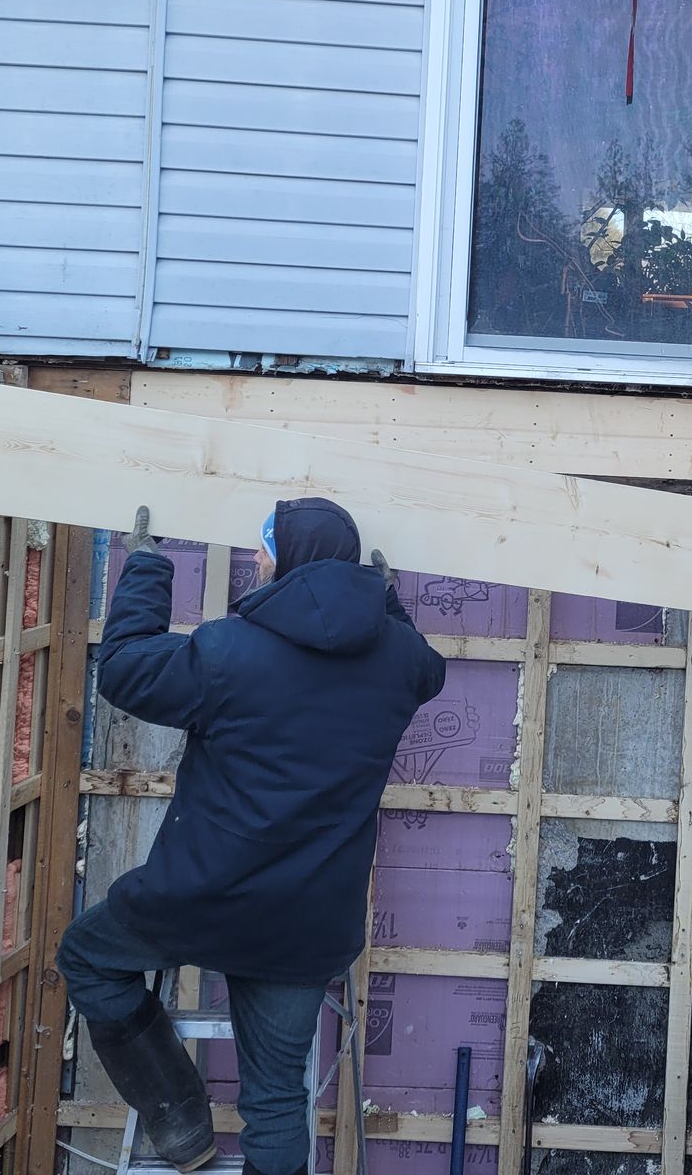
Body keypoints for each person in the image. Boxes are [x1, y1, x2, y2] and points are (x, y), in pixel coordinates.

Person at [58, 498, 447, 1174]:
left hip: (200, 902)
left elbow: (124, 670)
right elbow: (426, 667)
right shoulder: (401, 664)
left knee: (89, 960)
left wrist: (147, 567)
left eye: (265, 549)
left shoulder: (227, 652)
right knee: (273, 1098)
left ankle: (180, 1122)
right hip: (307, 925)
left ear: (289, 560)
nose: (259, 560)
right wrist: (385, 602)